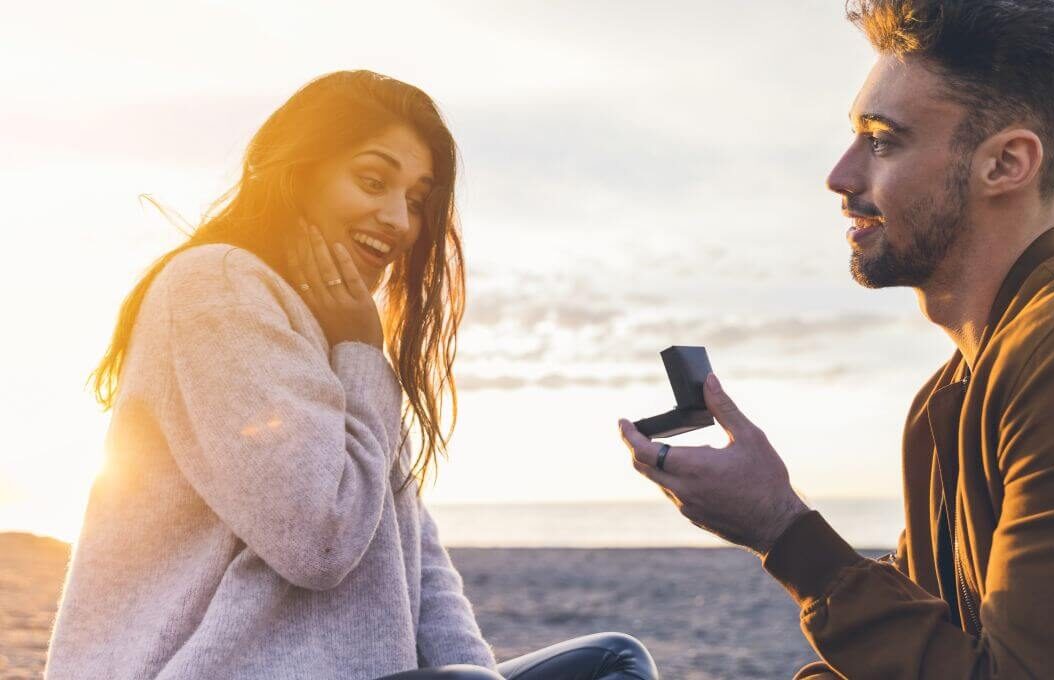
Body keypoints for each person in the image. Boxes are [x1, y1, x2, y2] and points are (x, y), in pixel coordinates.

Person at [46, 70, 657, 680]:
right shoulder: (217, 287)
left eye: (416, 202)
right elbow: (319, 539)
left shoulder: (338, 342)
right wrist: (363, 354)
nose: (398, 220)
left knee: (613, 662)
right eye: (372, 180)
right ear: (294, 174)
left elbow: (418, 564)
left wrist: (481, 676)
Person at [619, 1, 1054, 677]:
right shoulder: (952, 394)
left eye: (881, 140)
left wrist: (781, 528)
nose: (840, 177)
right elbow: (930, 644)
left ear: (1005, 165)